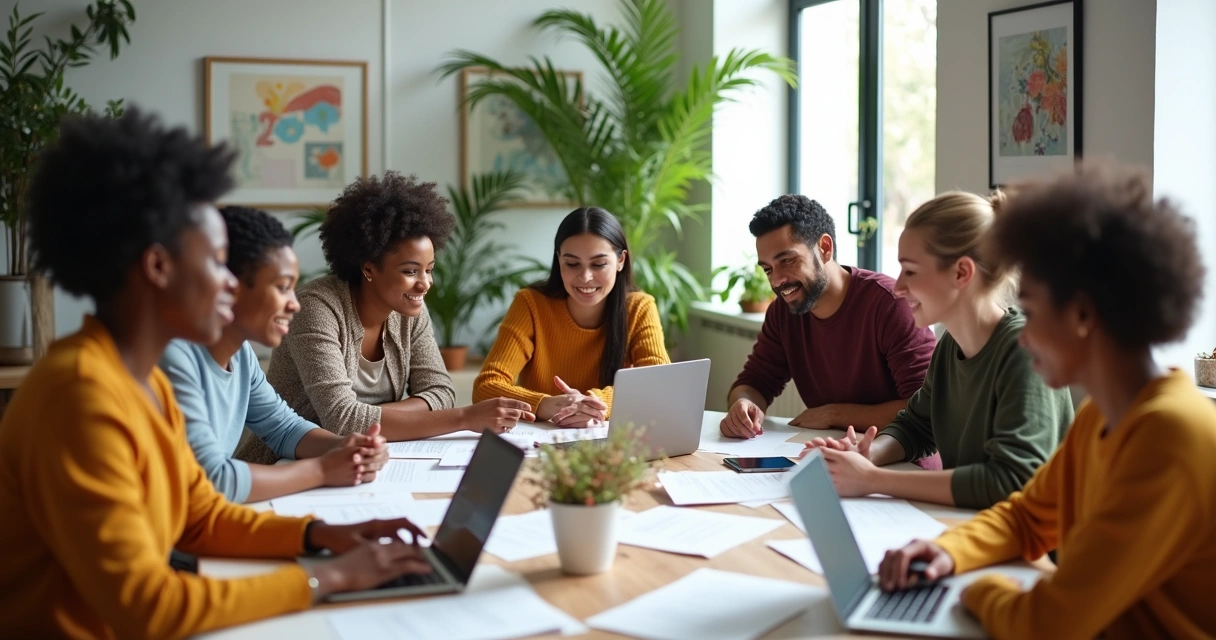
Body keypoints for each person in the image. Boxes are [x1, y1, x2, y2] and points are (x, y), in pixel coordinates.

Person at [0, 108, 432, 638]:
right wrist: (331, 578)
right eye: (216, 263)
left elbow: (200, 514)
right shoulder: (81, 395)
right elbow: (147, 607)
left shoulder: (141, 380)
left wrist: (324, 537)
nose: (231, 285)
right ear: (159, 268)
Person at [878, 162, 1216, 639]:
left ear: (1080, 315)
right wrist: (950, 552)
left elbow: (1051, 621)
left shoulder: (1169, 437)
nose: (1024, 333)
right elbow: (1026, 517)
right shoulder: (1102, 413)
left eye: (1032, 312)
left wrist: (974, 591)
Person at [802, 192, 1074, 509]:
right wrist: (867, 454)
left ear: (962, 273)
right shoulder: (950, 345)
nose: (898, 286)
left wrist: (873, 480)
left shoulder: (1024, 352)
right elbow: (917, 425)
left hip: (1038, 555)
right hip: (973, 527)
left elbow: (1011, 481)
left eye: (911, 271)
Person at [243, 171, 533, 462]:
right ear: (368, 268)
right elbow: (342, 420)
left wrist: (364, 418)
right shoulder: (316, 308)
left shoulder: (409, 309)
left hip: (376, 456)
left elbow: (441, 392)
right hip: (288, 462)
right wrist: (461, 418)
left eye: (429, 269)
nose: (425, 284)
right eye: (410, 271)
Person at [161, 206, 390, 503]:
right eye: (282, 287)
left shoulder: (240, 353)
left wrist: (347, 448)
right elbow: (210, 480)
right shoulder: (173, 357)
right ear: (231, 285)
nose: (294, 304)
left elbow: (283, 427)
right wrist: (322, 470)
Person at [720, 195, 937, 440]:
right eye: (768, 269)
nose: (776, 280)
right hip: (829, 458)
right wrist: (743, 406)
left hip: (904, 465)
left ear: (824, 248)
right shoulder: (783, 312)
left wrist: (835, 414)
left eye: (788, 260)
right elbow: (754, 383)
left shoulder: (890, 304)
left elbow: (928, 409)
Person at [474, 207, 669, 427]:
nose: (585, 277)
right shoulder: (530, 304)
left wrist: (595, 404)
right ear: (559, 260)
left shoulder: (639, 307)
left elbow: (659, 385)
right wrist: (544, 404)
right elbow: (486, 387)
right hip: (540, 440)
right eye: (572, 264)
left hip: (609, 444)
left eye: (598, 264)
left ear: (621, 260)